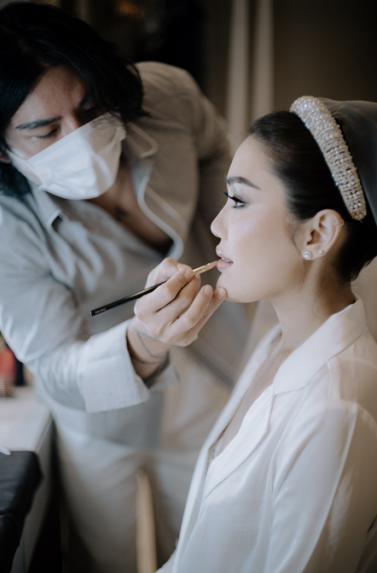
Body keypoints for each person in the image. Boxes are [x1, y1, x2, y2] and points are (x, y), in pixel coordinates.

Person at [0, 3, 252, 571]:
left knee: (201, 549)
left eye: (91, 108)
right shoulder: (1, 226)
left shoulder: (168, 97)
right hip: (99, 415)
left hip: (212, 373)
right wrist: (143, 345)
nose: (81, 138)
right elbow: (56, 366)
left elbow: (217, 149)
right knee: (105, 559)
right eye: (46, 131)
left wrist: (227, 227)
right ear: (1, 147)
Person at [157, 97, 377, 572]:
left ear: (317, 234)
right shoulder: (275, 344)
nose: (216, 224)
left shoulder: (335, 408)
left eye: (238, 201)